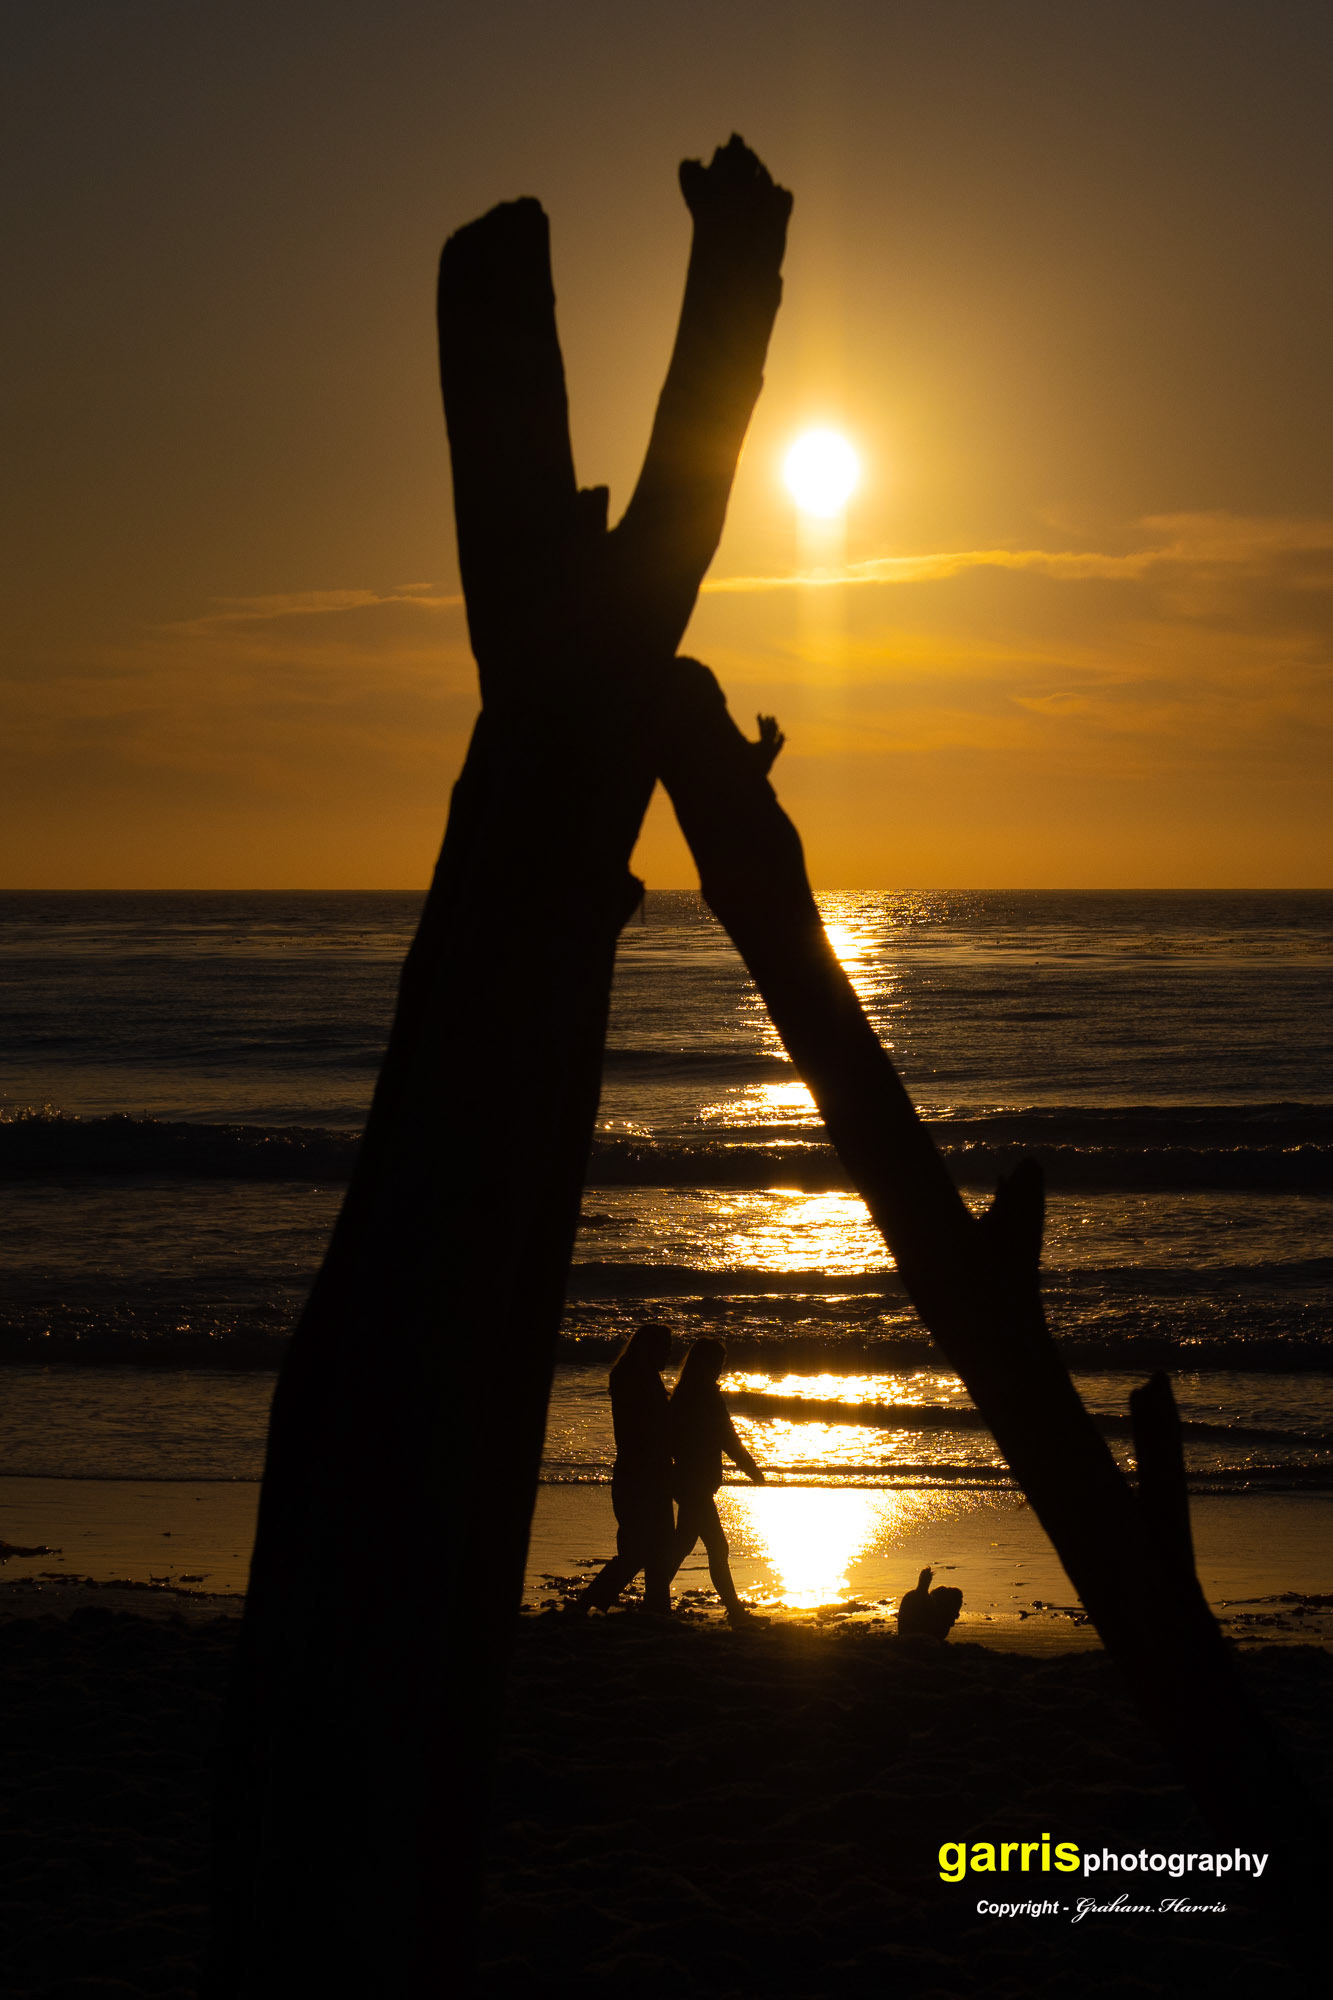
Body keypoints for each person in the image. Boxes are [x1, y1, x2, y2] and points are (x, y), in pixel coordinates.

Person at [576, 1323, 675, 1614]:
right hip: (643, 1474)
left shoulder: (632, 1376)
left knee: (653, 1546)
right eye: (664, 1348)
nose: (668, 1354)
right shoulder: (640, 1380)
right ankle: (590, 1602)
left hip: (640, 1471)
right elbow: (650, 1431)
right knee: (643, 1549)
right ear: (649, 1349)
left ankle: (656, 1606)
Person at [667, 1336, 766, 1623]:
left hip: (689, 1481)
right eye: (718, 1363)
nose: (720, 1369)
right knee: (716, 1548)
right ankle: (735, 1612)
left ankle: (655, 1597)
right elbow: (728, 1438)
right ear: (706, 1363)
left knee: (683, 1544)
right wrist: (752, 1470)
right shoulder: (704, 1395)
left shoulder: (687, 1392)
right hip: (695, 1484)